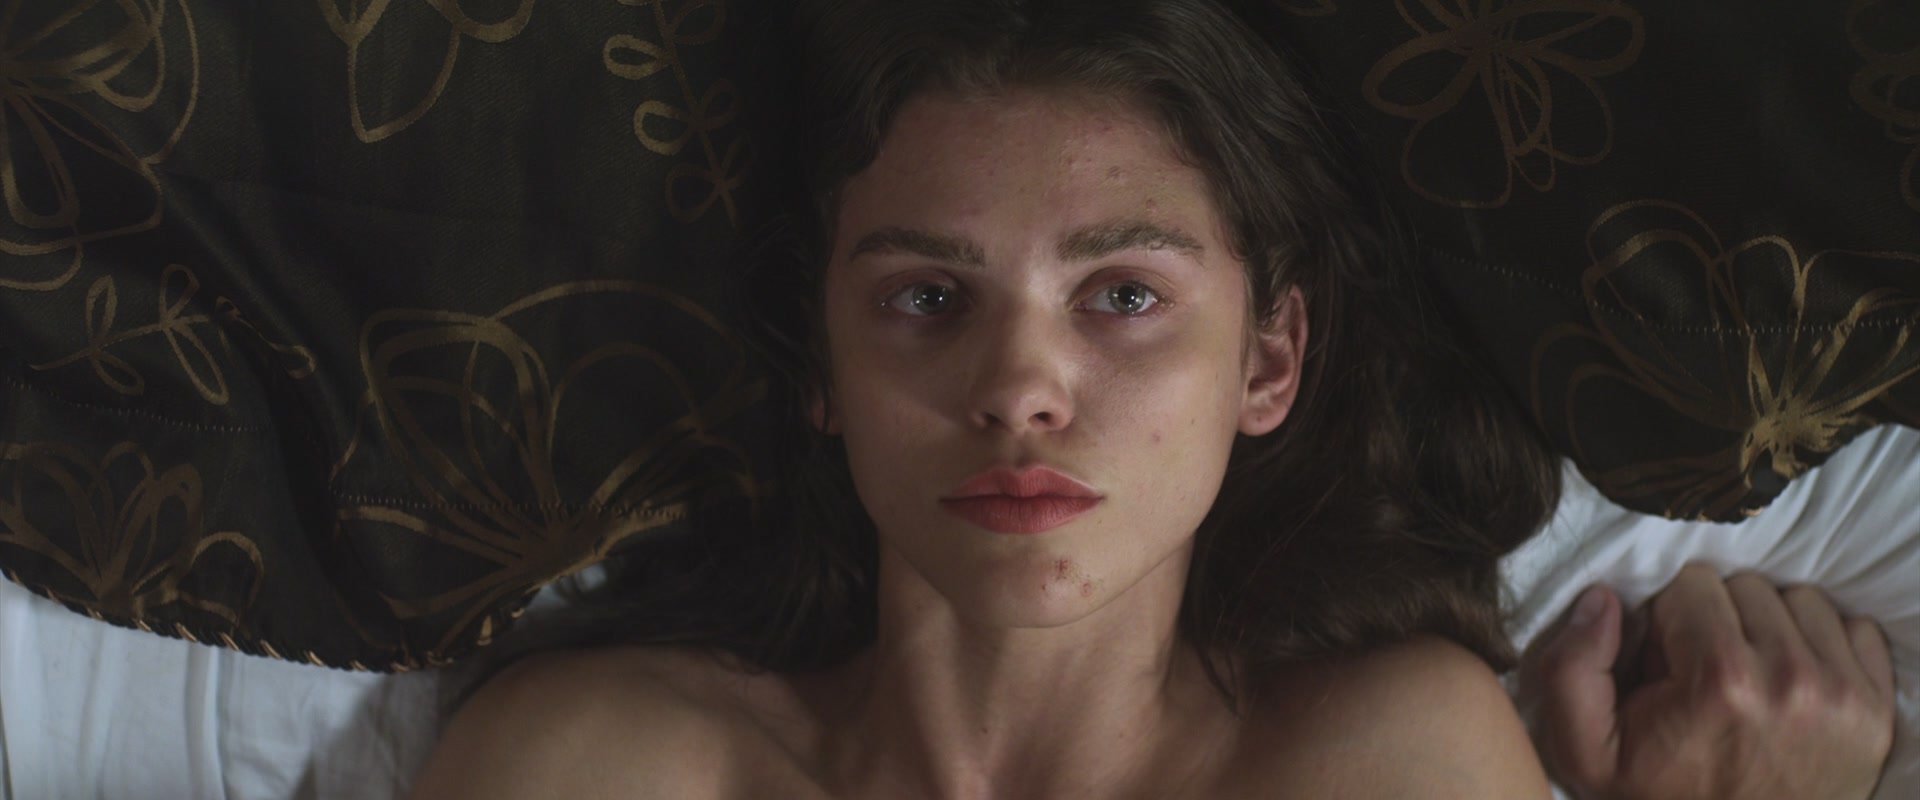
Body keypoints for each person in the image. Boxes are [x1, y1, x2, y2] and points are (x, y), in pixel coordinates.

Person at [408, 0, 1897, 796]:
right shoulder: (601, 765)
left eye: (1123, 296)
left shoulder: (1386, 761)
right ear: (821, 368)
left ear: (1268, 361)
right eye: (928, 299)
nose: (1018, 389)